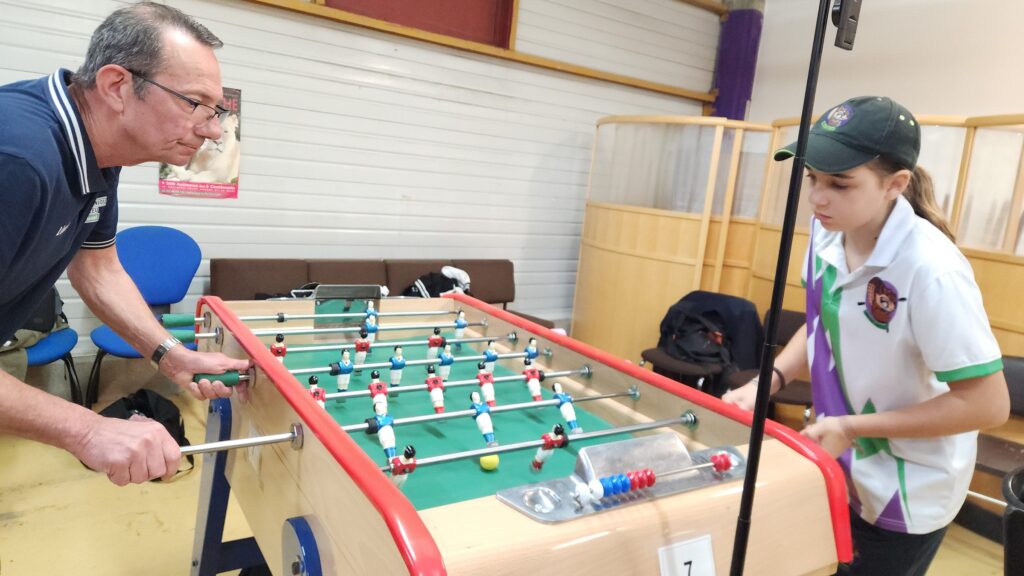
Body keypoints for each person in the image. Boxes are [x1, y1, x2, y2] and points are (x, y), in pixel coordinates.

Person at [722, 96, 1009, 576]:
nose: (818, 198)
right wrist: (765, 383)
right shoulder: (826, 232)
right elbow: (821, 323)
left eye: (840, 183)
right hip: (839, 459)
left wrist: (852, 428)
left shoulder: (932, 271)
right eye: (812, 178)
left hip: (907, 488)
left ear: (895, 185)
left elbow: (988, 404)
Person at [0, 3, 249, 486]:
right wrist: (87, 429)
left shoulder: (98, 153)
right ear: (117, 86)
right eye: (194, 103)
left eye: (216, 110)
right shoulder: (18, 160)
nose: (213, 129)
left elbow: (97, 268)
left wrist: (171, 355)